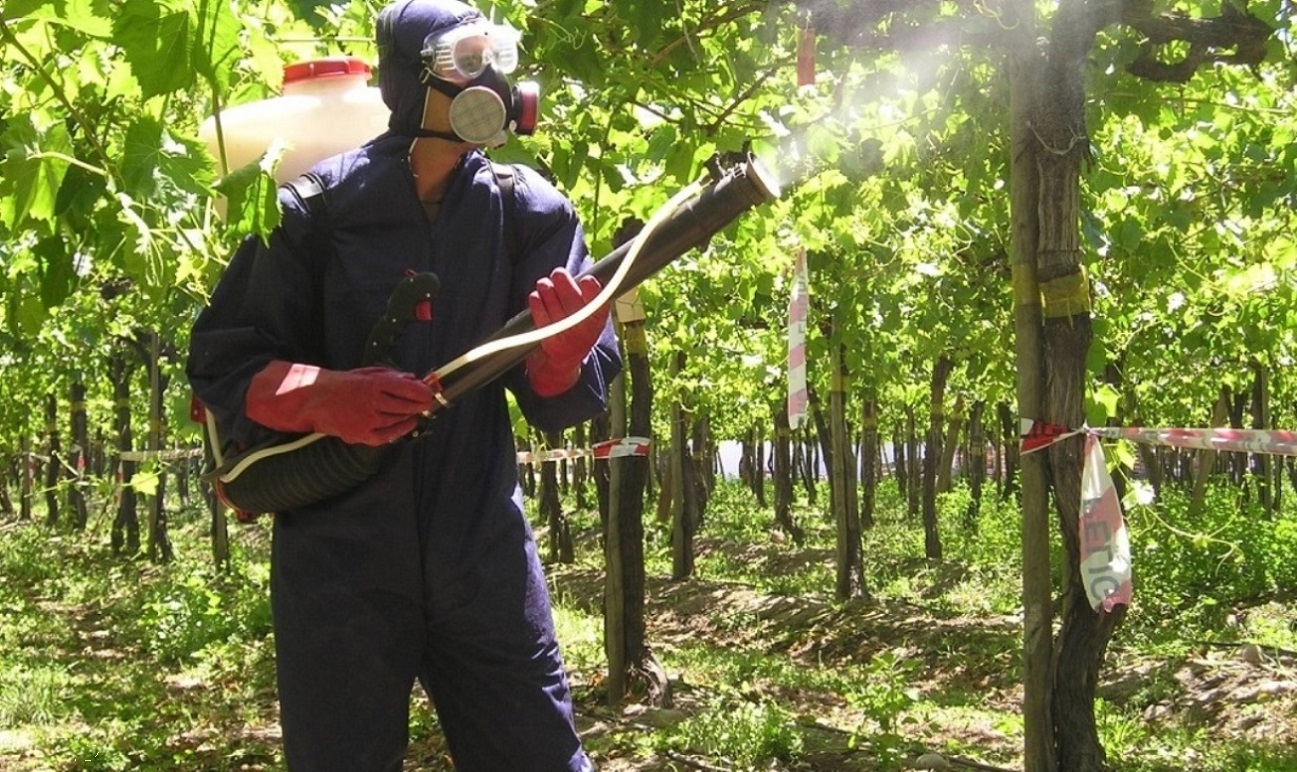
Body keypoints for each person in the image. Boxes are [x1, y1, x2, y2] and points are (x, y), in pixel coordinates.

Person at [185, 1, 619, 769]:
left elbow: (563, 401)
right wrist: (327, 395)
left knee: (540, 756)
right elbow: (223, 364)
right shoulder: (313, 208)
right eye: (465, 62)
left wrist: (561, 357)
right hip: (338, 562)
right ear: (406, 80)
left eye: (496, 60)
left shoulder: (532, 213)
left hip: (481, 552)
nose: (490, 80)